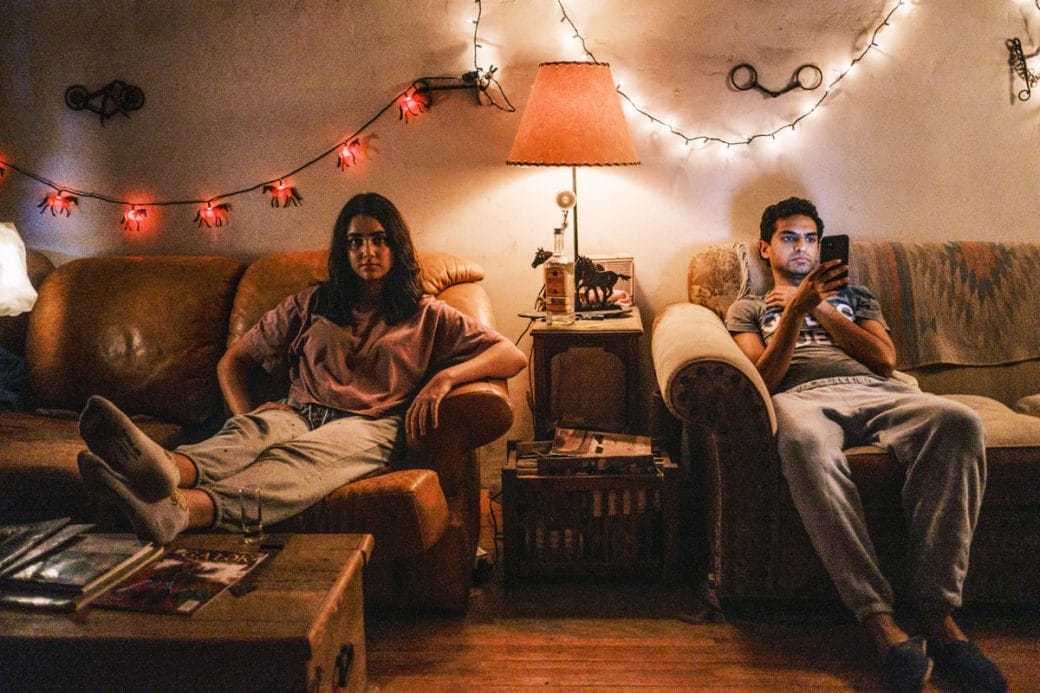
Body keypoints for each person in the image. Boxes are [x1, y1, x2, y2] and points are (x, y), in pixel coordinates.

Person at [77, 192, 527, 547]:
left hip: (369, 425)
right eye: (355, 242)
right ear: (343, 250)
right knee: (247, 436)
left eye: (378, 239)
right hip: (296, 411)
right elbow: (233, 361)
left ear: (396, 245)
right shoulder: (312, 303)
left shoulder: (428, 314)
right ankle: (160, 469)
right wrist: (243, 414)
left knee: (291, 462)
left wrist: (444, 378)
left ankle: (181, 509)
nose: (367, 251)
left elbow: (511, 354)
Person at [725, 197, 1006, 692]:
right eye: (790, 238)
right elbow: (764, 378)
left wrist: (818, 307)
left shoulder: (857, 295)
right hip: (802, 398)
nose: (802, 248)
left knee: (960, 421)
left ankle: (938, 615)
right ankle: (879, 622)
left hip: (881, 391)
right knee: (805, 445)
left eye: (811, 239)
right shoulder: (747, 307)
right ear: (766, 248)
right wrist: (792, 314)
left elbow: (883, 359)